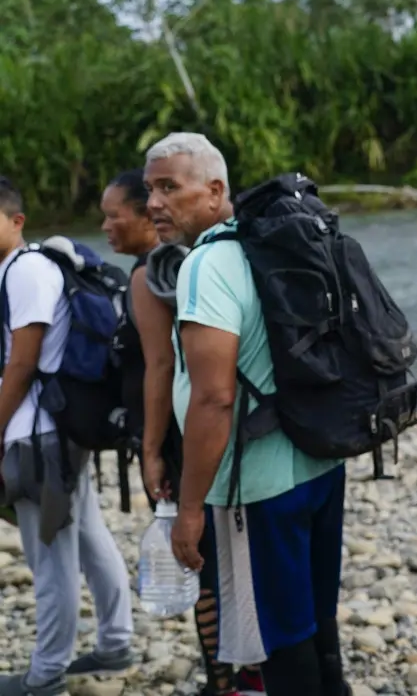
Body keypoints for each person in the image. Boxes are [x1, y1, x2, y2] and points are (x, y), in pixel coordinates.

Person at [142, 133, 348, 696]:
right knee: (315, 621)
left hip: (256, 486)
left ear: (214, 191)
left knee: (278, 640)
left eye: (168, 187)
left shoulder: (207, 265)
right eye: (149, 190)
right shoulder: (268, 245)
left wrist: (190, 511)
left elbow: (214, 398)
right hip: (318, 459)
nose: (154, 203)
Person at [102, 170, 265, 696]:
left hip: (182, 439)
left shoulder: (149, 275)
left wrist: (151, 452)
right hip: (224, 435)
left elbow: (158, 367)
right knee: (230, 560)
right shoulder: (203, 260)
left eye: (115, 214)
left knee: (200, 563)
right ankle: (248, 671)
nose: (108, 225)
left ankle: (224, 681)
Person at [0, 176, 134, 696]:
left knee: (49, 555)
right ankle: (115, 641)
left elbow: (22, 362)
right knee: (87, 534)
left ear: (17, 222)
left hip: (40, 435)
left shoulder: (26, 271)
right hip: (56, 429)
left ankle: (46, 674)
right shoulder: (22, 267)